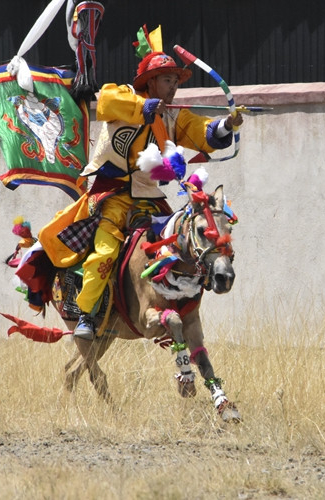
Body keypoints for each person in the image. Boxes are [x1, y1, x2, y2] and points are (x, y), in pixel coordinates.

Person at [36, 26, 243, 340]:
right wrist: (144, 108)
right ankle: (88, 315)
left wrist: (226, 124)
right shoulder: (125, 98)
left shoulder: (173, 117)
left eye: (176, 82)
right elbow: (106, 101)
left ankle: (183, 306)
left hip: (150, 200)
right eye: (168, 80)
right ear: (151, 82)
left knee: (182, 245)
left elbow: (200, 130)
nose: (174, 87)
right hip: (112, 197)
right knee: (105, 252)